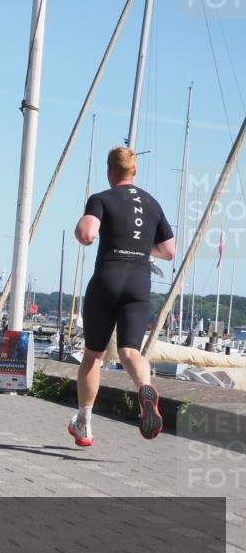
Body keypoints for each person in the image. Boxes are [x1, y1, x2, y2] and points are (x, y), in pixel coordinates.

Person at [69, 146, 174, 447]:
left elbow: (88, 234)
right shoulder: (153, 204)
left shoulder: (102, 198)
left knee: (93, 355)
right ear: (134, 171)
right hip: (139, 283)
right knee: (131, 352)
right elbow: (169, 251)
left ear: (109, 171)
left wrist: (81, 230)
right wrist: (142, 249)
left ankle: (84, 425)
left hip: (108, 277)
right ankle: (145, 387)